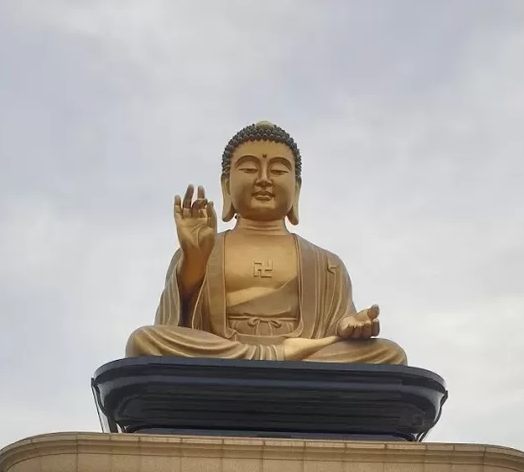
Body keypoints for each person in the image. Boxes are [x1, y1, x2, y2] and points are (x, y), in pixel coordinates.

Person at [126, 121, 407, 364]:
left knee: (389, 355)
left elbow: (339, 325)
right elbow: (172, 323)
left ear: (296, 188)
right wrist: (196, 260)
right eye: (249, 168)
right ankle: (285, 357)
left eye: (278, 170)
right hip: (223, 353)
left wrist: (349, 326)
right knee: (144, 342)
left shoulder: (326, 263)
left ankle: (289, 356)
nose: (263, 179)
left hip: (306, 358)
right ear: (226, 185)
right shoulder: (201, 249)